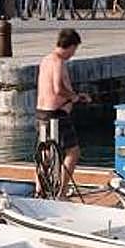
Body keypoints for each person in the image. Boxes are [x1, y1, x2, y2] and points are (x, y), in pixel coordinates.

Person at [35, 28, 90, 195]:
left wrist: (75, 96)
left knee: (44, 152)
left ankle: (39, 190)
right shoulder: (58, 61)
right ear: (71, 46)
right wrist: (73, 97)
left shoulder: (45, 60)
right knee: (73, 152)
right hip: (56, 114)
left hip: (41, 113)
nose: (73, 54)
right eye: (74, 50)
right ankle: (62, 191)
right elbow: (58, 89)